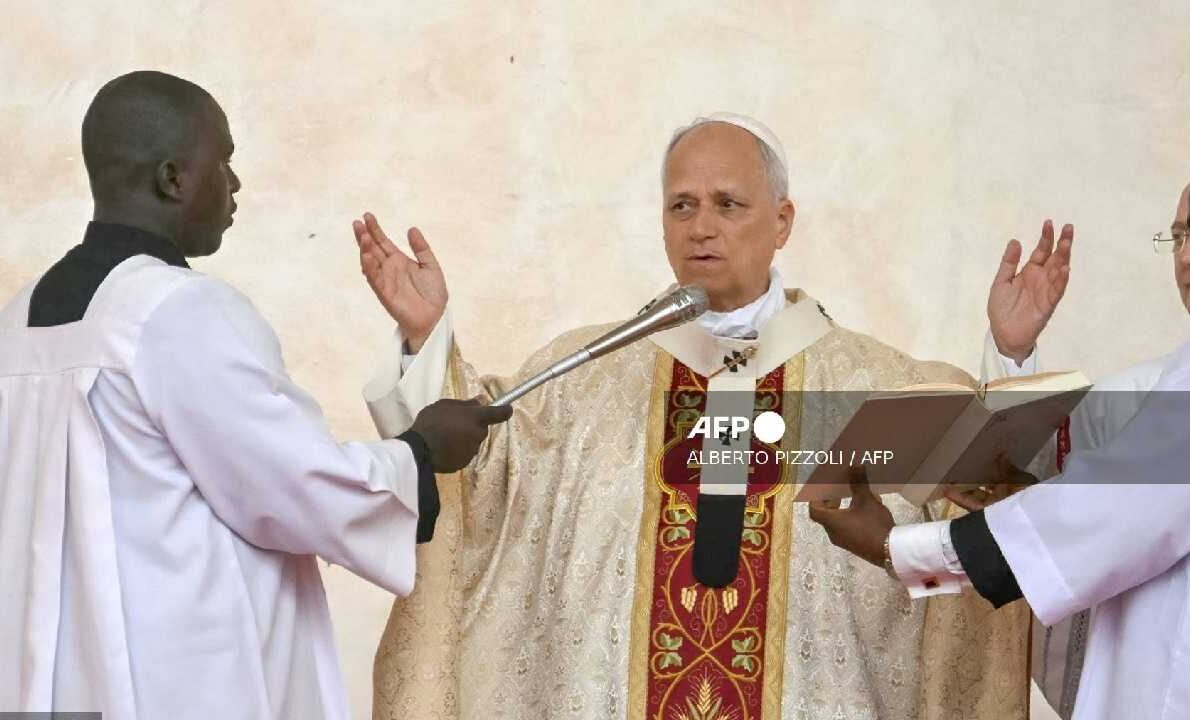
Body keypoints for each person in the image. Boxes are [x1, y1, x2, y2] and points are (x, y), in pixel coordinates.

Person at [359, 113, 1069, 720]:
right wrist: (429, 339)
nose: (702, 227)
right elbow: (478, 480)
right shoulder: (585, 378)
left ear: (783, 221)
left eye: (729, 204)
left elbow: (987, 505)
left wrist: (1011, 355)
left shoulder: (868, 384)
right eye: (682, 205)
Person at [0, 70, 509, 719]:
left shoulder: (16, 322)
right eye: (225, 163)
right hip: (174, 687)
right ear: (173, 178)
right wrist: (422, 450)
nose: (235, 186)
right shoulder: (177, 313)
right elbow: (295, 485)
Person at [809, 173, 1190, 720]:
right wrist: (1014, 354)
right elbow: (1059, 481)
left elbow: (1102, 517)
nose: (1189, 255)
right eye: (1180, 235)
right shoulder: (1159, 382)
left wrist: (897, 550)